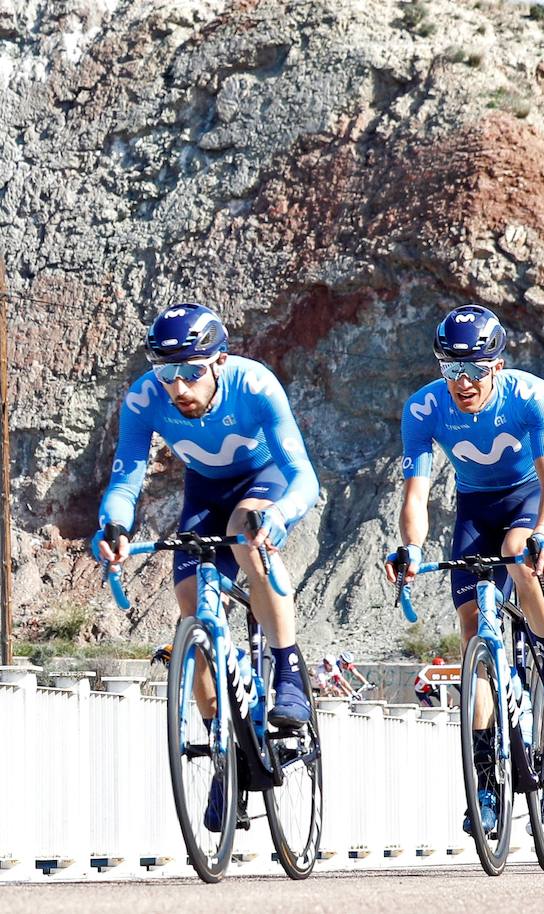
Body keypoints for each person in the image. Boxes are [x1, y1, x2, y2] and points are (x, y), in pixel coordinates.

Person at [94, 303, 320, 837]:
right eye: (165, 373)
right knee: (195, 617)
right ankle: (228, 756)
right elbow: (125, 479)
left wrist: (281, 516)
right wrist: (115, 527)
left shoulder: (255, 385)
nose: (177, 387)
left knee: (247, 532)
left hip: (263, 483)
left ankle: (286, 671)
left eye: (190, 372)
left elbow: (302, 474)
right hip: (203, 493)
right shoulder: (144, 398)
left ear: (218, 361)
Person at [382, 304, 544, 837]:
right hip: (472, 509)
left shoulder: (529, 396)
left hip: (525, 502)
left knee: (517, 549)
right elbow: (416, 493)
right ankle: (485, 784)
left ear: (498, 366)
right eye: (450, 370)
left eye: (474, 371)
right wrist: (411, 547)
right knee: (472, 637)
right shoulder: (423, 410)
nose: (462, 383)